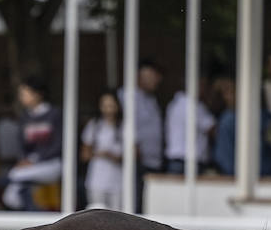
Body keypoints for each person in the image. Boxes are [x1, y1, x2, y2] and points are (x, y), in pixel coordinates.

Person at [1, 77, 63, 211]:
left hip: (51, 163)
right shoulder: (25, 117)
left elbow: (58, 144)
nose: (21, 97)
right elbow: (21, 144)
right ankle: (27, 209)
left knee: (16, 176)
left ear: (38, 94)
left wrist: (36, 160)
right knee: (18, 178)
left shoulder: (54, 114)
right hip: (30, 164)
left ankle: (24, 208)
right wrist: (24, 159)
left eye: (25, 93)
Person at [118, 58, 163, 208]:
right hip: (136, 159)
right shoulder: (127, 95)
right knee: (133, 203)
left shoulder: (151, 99)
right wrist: (134, 146)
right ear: (139, 75)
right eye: (152, 75)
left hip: (152, 161)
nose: (157, 80)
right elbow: (124, 123)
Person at [80, 89, 123, 209]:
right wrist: (98, 154)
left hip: (118, 181)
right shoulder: (94, 126)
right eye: (105, 106)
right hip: (96, 179)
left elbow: (134, 155)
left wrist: (110, 155)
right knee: (97, 215)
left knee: (118, 217)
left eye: (111, 105)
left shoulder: (124, 126)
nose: (108, 110)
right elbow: (84, 155)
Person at [163, 79, 216, 174]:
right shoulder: (194, 105)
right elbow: (212, 130)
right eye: (204, 87)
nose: (205, 90)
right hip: (190, 162)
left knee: (175, 189)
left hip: (174, 161)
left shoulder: (174, 103)